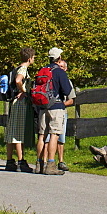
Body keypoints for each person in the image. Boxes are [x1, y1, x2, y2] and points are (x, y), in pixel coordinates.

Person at [34, 47, 74, 175]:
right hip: (56, 106)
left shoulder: (42, 70)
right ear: (59, 58)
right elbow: (67, 91)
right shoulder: (60, 72)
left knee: (42, 135)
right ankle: (51, 164)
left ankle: (39, 164)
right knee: (54, 135)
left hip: (42, 107)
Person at [4, 47, 36, 173]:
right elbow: (18, 80)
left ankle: (9, 160)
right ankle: (21, 161)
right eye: (33, 58)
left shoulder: (15, 68)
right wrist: (23, 91)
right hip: (21, 103)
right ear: (29, 58)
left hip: (14, 102)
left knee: (11, 130)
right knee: (19, 131)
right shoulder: (23, 69)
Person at [55, 59, 76, 172]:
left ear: (66, 69)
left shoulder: (67, 81)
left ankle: (61, 161)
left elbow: (71, 100)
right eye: (59, 66)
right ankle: (48, 161)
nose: (61, 68)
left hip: (62, 112)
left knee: (60, 137)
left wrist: (61, 104)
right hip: (51, 111)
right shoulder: (51, 78)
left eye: (62, 67)